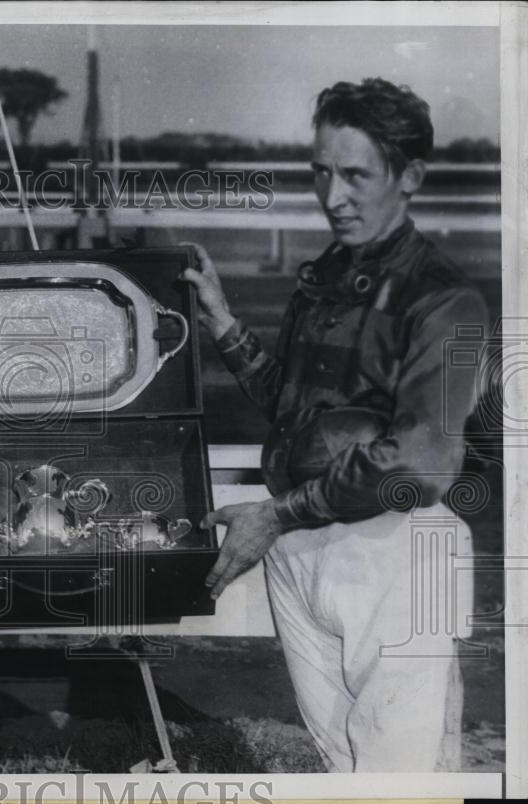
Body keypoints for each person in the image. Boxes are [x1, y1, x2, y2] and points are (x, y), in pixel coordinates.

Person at [182, 77, 488, 772]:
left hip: (394, 550)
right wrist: (222, 321)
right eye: (321, 171)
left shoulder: (444, 298)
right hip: (299, 546)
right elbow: (296, 419)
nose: (332, 195)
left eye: (355, 175)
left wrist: (280, 515)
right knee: (343, 765)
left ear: (410, 176)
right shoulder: (324, 276)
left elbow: (420, 463)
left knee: (395, 771)